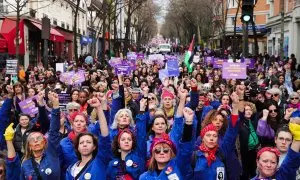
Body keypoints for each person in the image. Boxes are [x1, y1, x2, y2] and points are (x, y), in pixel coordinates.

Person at [5, 92, 61, 179]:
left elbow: (53, 131)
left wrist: (56, 106)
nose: (35, 140)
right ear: (29, 146)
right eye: (32, 140)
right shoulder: (25, 164)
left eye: (38, 138)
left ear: (44, 142)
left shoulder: (52, 153)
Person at [140, 107, 195, 180]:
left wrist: (188, 123)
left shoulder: (179, 168)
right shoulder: (144, 177)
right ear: (153, 154)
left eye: (166, 150)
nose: (161, 153)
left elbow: (185, 150)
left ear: (171, 153)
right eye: (157, 150)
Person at [65, 97, 111, 179]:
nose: (85, 144)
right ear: (77, 147)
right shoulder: (70, 169)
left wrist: (99, 108)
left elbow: (105, 137)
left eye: (88, 142)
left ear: (94, 147)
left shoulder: (100, 161)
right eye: (81, 143)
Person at [251, 110, 300, 179]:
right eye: (281, 138)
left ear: (291, 141)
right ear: (275, 140)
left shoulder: (295, 158)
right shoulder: (265, 155)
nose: (284, 142)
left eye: (288, 140)